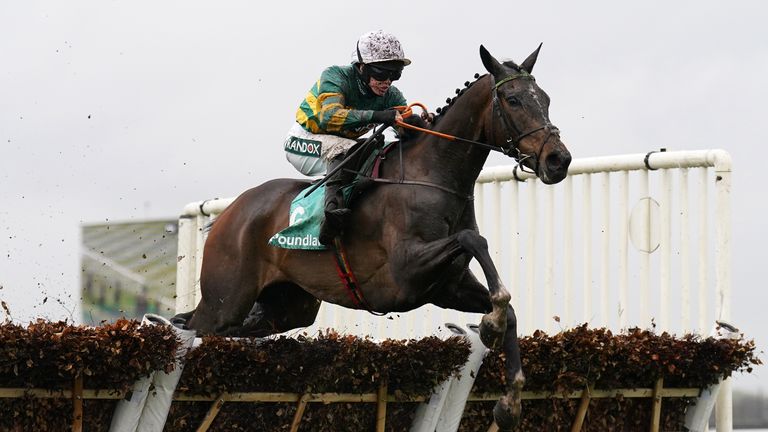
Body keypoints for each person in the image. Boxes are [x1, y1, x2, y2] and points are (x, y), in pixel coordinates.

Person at [285, 30, 412, 246]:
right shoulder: (336, 76)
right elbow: (329, 117)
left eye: (395, 74)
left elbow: (406, 127)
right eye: (381, 74)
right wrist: (378, 115)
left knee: (382, 147)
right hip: (304, 142)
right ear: (361, 67)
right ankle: (330, 215)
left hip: (343, 145)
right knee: (349, 148)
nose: (387, 82)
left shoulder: (392, 96)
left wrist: (423, 123)